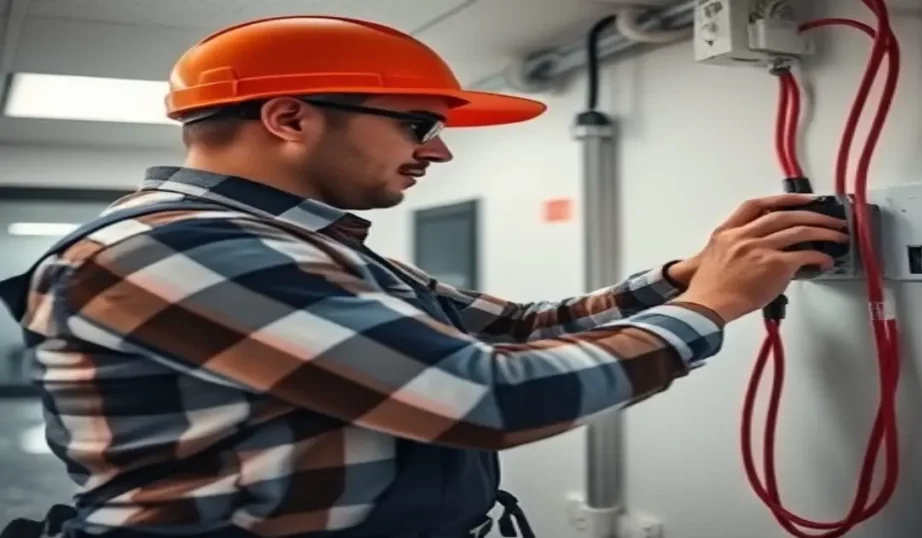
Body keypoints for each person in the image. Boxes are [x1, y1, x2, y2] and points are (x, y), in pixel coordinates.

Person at [0, 15, 847, 538]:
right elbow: (484, 398)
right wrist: (712, 306)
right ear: (289, 117)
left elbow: (508, 329)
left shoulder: (300, 240)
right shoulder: (171, 247)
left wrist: (679, 277)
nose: (437, 149)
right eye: (417, 124)